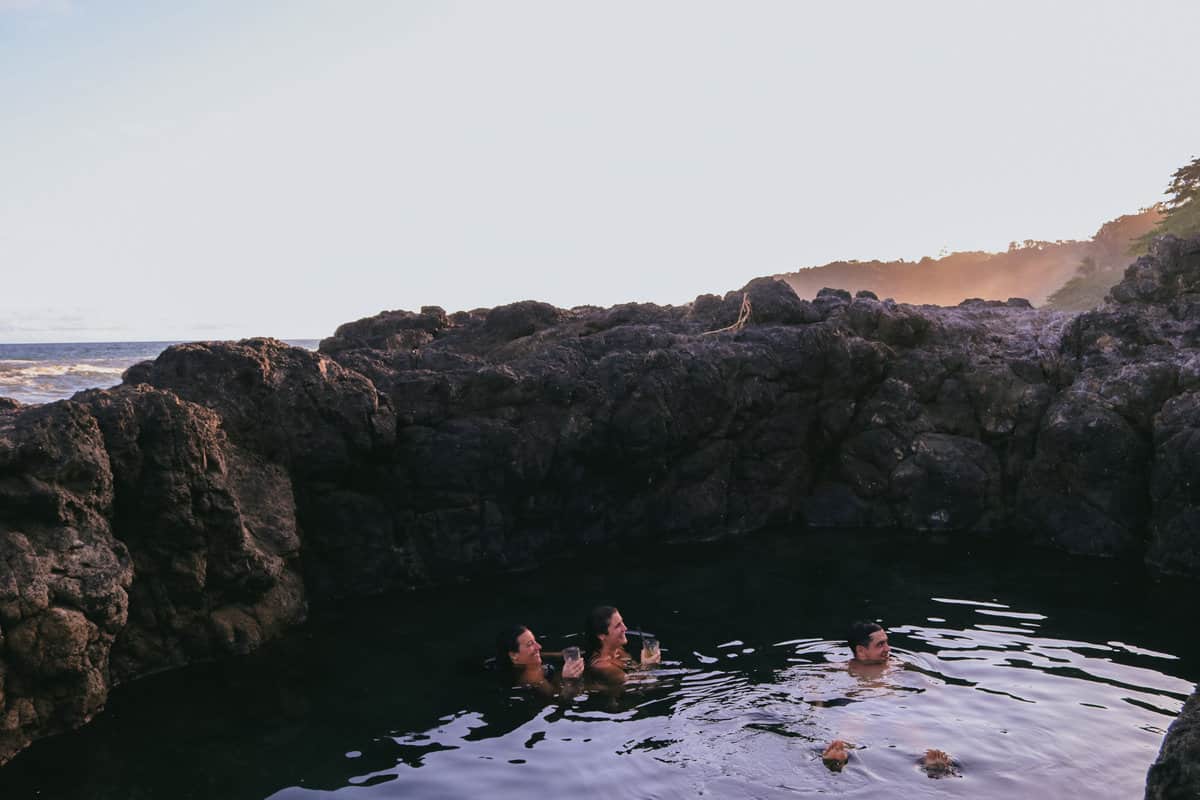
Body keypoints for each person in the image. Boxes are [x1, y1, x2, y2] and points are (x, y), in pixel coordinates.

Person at [495, 624, 584, 695]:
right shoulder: (533, 679)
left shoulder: (528, 663)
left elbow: (540, 654)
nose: (539, 646)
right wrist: (569, 680)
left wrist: (561, 655)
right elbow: (559, 702)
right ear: (514, 655)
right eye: (530, 644)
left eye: (535, 641)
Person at [582, 605, 661, 684]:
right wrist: (647, 666)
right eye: (617, 626)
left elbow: (635, 672)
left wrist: (645, 666)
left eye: (622, 622)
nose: (625, 628)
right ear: (601, 635)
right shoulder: (603, 666)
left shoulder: (618, 649)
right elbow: (639, 686)